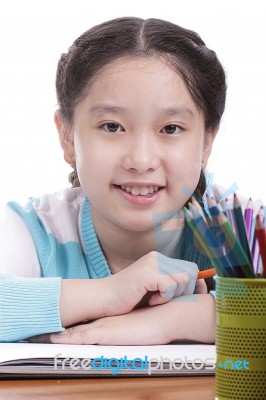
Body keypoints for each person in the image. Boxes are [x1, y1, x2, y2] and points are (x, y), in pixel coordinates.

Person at [0, 17, 261, 345]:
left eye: (171, 129)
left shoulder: (241, 228)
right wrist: (109, 293)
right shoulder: (36, 230)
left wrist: (175, 320)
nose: (141, 161)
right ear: (67, 136)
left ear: (207, 142)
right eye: (112, 126)